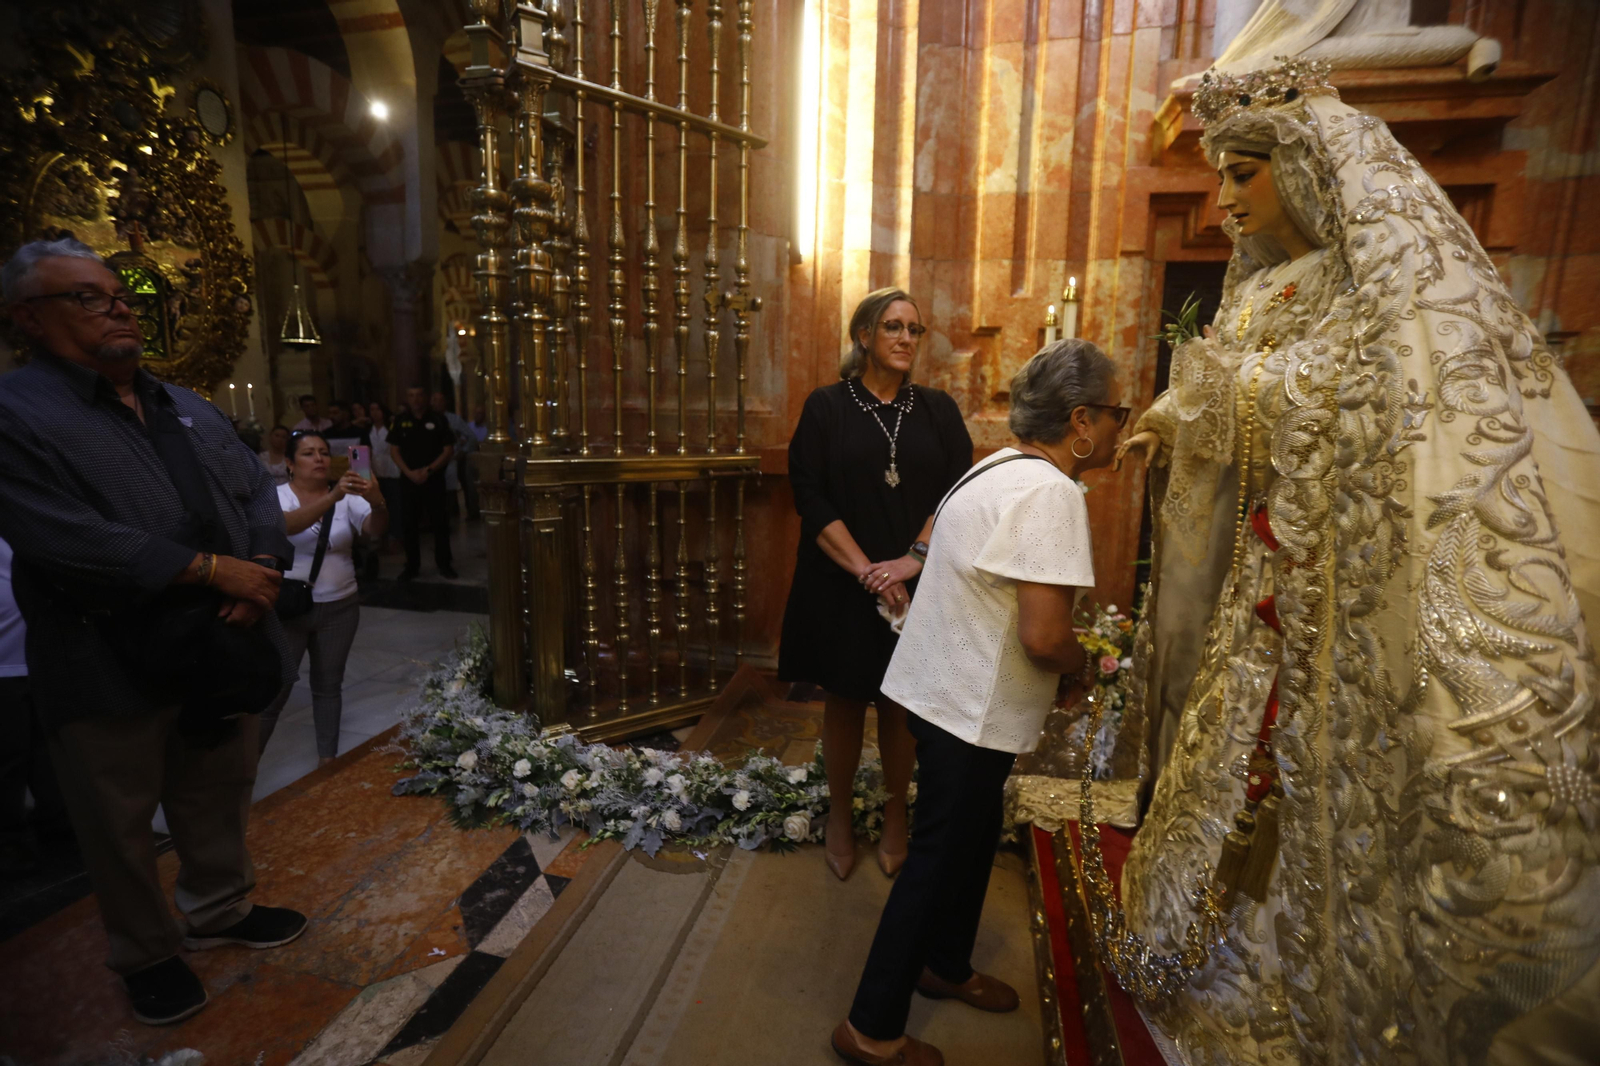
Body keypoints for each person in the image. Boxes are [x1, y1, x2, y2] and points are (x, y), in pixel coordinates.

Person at [1104, 59, 1600, 1064]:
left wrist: (1215, 405)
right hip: (1266, 600)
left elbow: (1388, 416)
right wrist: (1178, 417)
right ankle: (1199, 948)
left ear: (1314, 172)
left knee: (1332, 810)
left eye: (1244, 172)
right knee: (1231, 777)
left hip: (1354, 608)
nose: (1224, 199)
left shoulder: (1388, 288)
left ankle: (1303, 988)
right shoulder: (1262, 291)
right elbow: (1240, 401)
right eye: (1219, 174)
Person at [0, 238, 306, 1026]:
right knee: (119, 816)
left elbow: (254, 491)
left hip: (219, 640)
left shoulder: (185, 403)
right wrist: (214, 572)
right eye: (89, 297)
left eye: (122, 294)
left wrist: (262, 564)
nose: (120, 306)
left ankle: (221, 909)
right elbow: (65, 537)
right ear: (28, 318)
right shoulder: (17, 414)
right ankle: (146, 951)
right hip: (104, 654)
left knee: (215, 787)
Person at [831, 340, 1126, 1066]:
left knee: (965, 841)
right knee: (938, 855)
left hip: (942, 691)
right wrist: (1083, 664)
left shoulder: (995, 464)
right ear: (1081, 420)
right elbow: (1044, 635)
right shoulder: (1051, 492)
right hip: (969, 707)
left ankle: (945, 964)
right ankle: (869, 1028)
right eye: (1119, 413)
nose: (1124, 426)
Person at [779, 288, 973, 881]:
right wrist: (870, 571)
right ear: (864, 336)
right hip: (841, 580)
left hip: (915, 579)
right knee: (843, 700)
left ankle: (895, 816)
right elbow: (808, 495)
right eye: (893, 326)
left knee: (898, 703)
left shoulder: (938, 409)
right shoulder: (827, 406)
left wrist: (912, 560)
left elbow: (959, 492)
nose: (906, 338)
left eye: (915, 329)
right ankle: (839, 815)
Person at [257, 432, 387, 766]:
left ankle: (327, 764)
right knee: (275, 690)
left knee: (328, 685)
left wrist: (377, 501)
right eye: (308, 454)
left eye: (324, 453)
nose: (319, 459)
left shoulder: (349, 496)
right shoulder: (277, 496)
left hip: (340, 606)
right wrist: (332, 498)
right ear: (289, 463)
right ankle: (245, 769)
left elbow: (374, 530)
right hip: (289, 607)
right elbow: (285, 527)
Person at [389, 385, 456, 581]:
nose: (415, 399)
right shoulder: (400, 421)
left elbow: (448, 450)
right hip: (409, 480)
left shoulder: (438, 419)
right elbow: (394, 450)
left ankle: (444, 564)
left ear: (425, 397)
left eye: (419, 395)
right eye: (411, 395)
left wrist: (428, 470)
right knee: (409, 523)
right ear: (407, 398)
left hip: (433, 479)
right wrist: (409, 472)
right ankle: (411, 565)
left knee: (440, 523)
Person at [433, 390, 479, 521]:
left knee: (458, 486)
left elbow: (471, 437)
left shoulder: (454, 419)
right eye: (435, 400)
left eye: (440, 400)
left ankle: (466, 512)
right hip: (434, 460)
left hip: (452, 459)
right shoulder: (429, 418)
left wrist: (463, 451)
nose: (437, 403)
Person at [367, 401, 405, 556]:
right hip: (375, 471)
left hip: (392, 470)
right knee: (378, 506)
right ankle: (380, 539)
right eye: (372, 409)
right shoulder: (368, 430)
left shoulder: (391, 427)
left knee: (394, 506)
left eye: (377, 409)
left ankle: (395, 538)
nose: (375, 413)